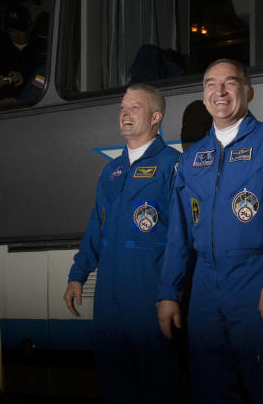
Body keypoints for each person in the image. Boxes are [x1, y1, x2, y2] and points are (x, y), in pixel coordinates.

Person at [157, 58, 263, 404]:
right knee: (209, 386)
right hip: (206, 287)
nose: (219, 92)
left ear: (249, 92)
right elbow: (179, 231)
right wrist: (169, 292)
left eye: (230, 83)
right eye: (211, 84)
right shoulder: (193, 158)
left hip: (255, 280)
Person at [64, 83, 183, 403]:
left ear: (156, 117)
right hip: (109, 300)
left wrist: (170, 292)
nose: (125, 114)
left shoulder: (172, 165)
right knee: (114, 385)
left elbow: (180, 237)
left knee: (159, 386)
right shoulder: (112, 170)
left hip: (148, 296)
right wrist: (78, 274)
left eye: (134, 107)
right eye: (122, 107)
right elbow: (96, 226)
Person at [0, 4, 45, 103]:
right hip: (5, 105)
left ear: (30, 26)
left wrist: (25, 77)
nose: (15, 35)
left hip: (33, 103)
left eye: (19, 30)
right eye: (11, 31)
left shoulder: (44, 48)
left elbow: (45, 77)